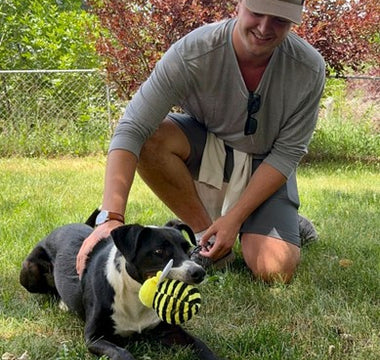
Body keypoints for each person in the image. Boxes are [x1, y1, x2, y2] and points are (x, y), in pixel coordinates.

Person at [76, 0, 325, 283]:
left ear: (295, 20)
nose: (265, 28)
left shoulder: (309, 68)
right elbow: (132, 128)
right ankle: (205, 238)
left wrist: (235, 220)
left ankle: (286, 225)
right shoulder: (193, 51)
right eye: (256, 12)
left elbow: (287, 153)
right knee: (151, 138)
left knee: (275, 271)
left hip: (265, 161)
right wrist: (111, 217)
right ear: (240, 5)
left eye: (280, 19)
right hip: (208, 151)